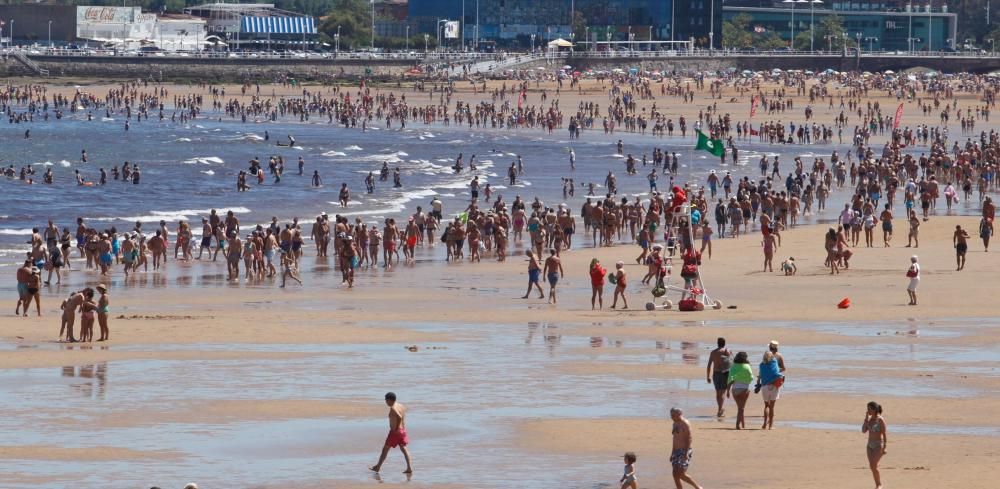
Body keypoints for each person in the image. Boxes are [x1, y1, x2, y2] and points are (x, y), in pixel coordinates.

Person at [370, 392, 413, 474]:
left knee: (385, 449)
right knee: (404, 449)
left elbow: (399, 417)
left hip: (395, 432)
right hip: (402, 431)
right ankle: (409, 468)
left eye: (386, 400)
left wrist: (396, 429)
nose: (385, 402)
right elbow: (403, 417)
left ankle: (378, 467)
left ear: (390, 400)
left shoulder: (393, 408)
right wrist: (401, 429)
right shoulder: (401, 406)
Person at [669, 407, 702, 489]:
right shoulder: (675, 423)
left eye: (673, 415)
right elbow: (675, 438)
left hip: (684, 450)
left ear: (680, 414)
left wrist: (686, 452)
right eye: (671, 415)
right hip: (676, 451)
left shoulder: (685, 423)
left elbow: (689, 438)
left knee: (681, 473)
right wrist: (672, 452)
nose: (672, 417)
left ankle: (697, 487)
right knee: (674, 474)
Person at [863, 401, 888, 489]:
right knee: (872, 466)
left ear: (875, 409)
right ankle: (877, 484)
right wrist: (866, 418)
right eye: (867, 409)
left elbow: (884, 434)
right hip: (869, 446)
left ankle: (879, 484)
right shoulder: (869, 420)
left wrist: (885, 447)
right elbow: (863, 430)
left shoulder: (880, 419)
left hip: (878, 445)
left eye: (870, 409)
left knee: (873, 465)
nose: (868, 410)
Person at [726, 351, 754, 430]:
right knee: (741, 408)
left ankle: (743, 424)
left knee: (741, 408)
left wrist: (727, 391)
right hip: (744, 389)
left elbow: (730, 379)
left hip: (734, 390)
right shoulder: (747, 366)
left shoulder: (733, 366)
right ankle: (737, 425)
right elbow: (751, 377)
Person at [706, 337, 732, 417]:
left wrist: (708, 376)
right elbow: (731, 364)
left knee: (718, 393)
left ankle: (719, 409)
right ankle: (720, 409)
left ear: (717, 343)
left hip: (715, 373)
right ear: (724, 343)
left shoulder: (713, 352)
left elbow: (709, 365)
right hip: (724, 373)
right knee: (723, 392)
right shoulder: (727, 351)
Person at [758, 350, 783, 430]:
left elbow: (760, 375)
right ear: (772, 357)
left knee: (766, 406)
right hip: (774, 386)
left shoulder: (761, 365)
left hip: (764, 386)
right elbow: (776, 373)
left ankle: (765, 423)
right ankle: (771, 426)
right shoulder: (774, 362)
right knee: (772, 407)